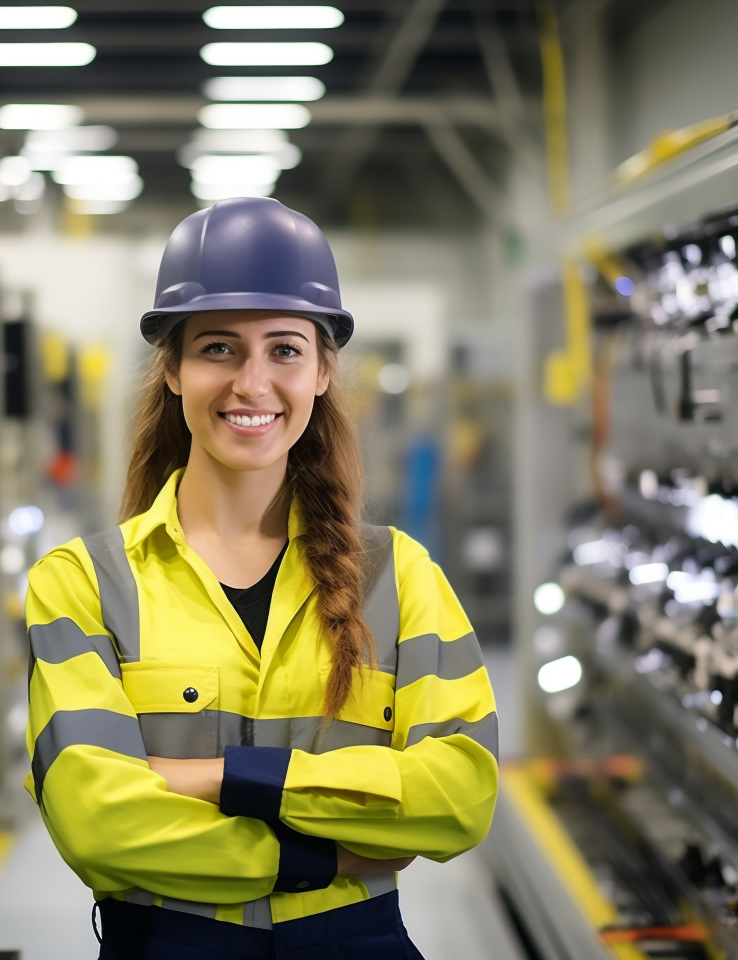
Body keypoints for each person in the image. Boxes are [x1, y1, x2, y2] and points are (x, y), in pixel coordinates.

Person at [25, 197, 499, 959]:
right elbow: (95, 821)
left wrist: (220, 777)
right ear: (172, 370)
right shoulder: (84, 584)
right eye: (218, 348)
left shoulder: (401, 577)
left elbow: (460, 796)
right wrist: (323, 857)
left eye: (284, 349)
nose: (252, 382)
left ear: (322, 371)